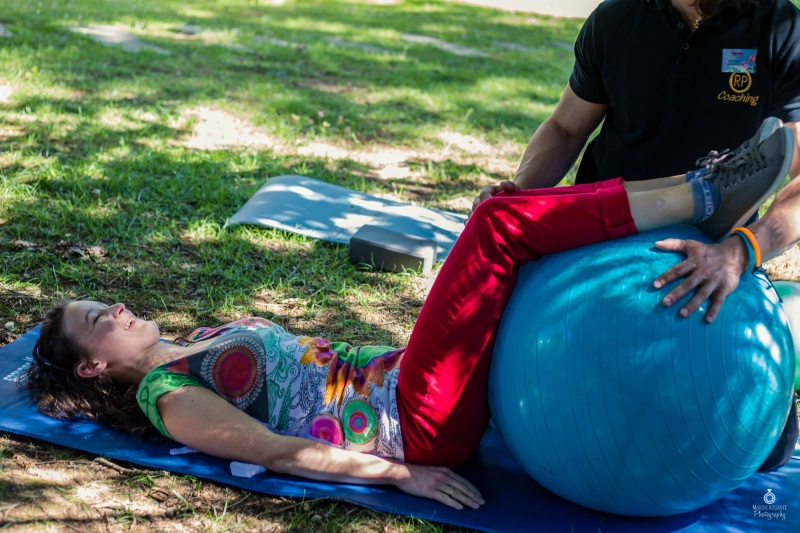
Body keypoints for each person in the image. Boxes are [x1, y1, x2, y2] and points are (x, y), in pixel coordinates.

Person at [23, 124, 796, 510]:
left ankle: (747, 436)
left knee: (499, 215)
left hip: (414, 385)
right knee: (496, 226)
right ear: (93, 364)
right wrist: (406, 475)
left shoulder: (193, 343)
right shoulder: (170, 397)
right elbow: (280, 451)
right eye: (99, 316)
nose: (117, 305)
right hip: (411, 419)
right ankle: (702, 193)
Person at [471, 0, 800, 324]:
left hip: (711, 243)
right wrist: (517, 195)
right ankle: (706, 191)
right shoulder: (616, 17)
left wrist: (740, 251)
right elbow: (565, 129)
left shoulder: (782, 29)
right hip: (602, 230)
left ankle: (707, 193)